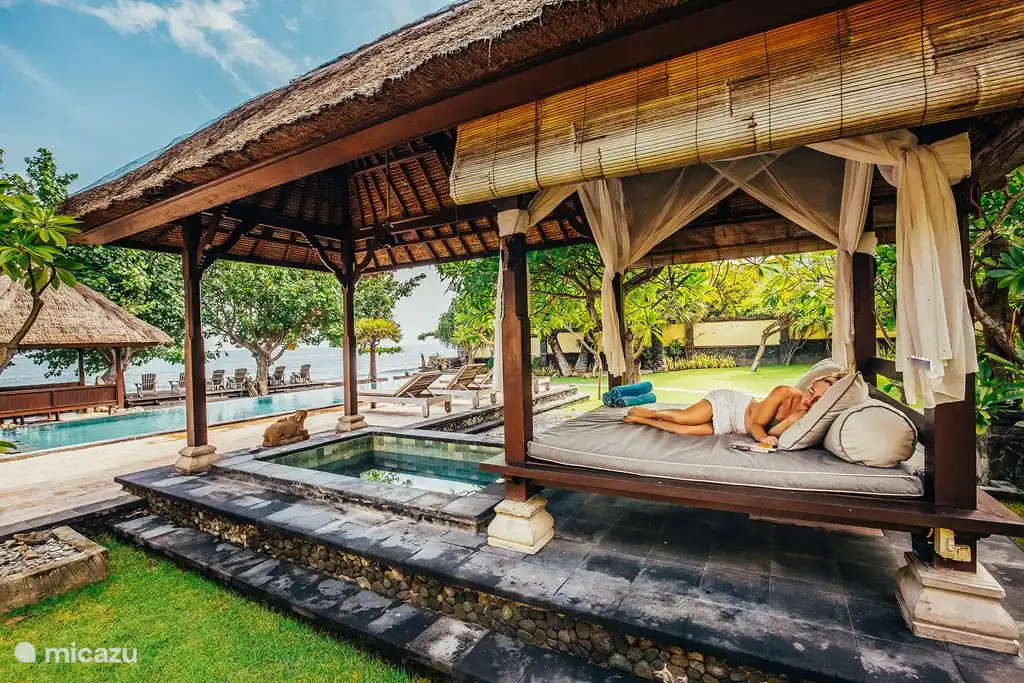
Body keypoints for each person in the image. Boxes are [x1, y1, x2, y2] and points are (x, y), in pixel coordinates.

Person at [623, 373, 846, 447]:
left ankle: (645, 421)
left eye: (819, 400)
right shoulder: (784, 392)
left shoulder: (809, 417)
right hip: (731, 405)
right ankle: (649, 412)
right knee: (685, 417)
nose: (810, 400)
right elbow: (758, 425)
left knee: (686, 431)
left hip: (732, 427)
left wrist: (793, 419)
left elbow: (774, 436)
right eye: (810, 392)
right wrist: (764, 439)